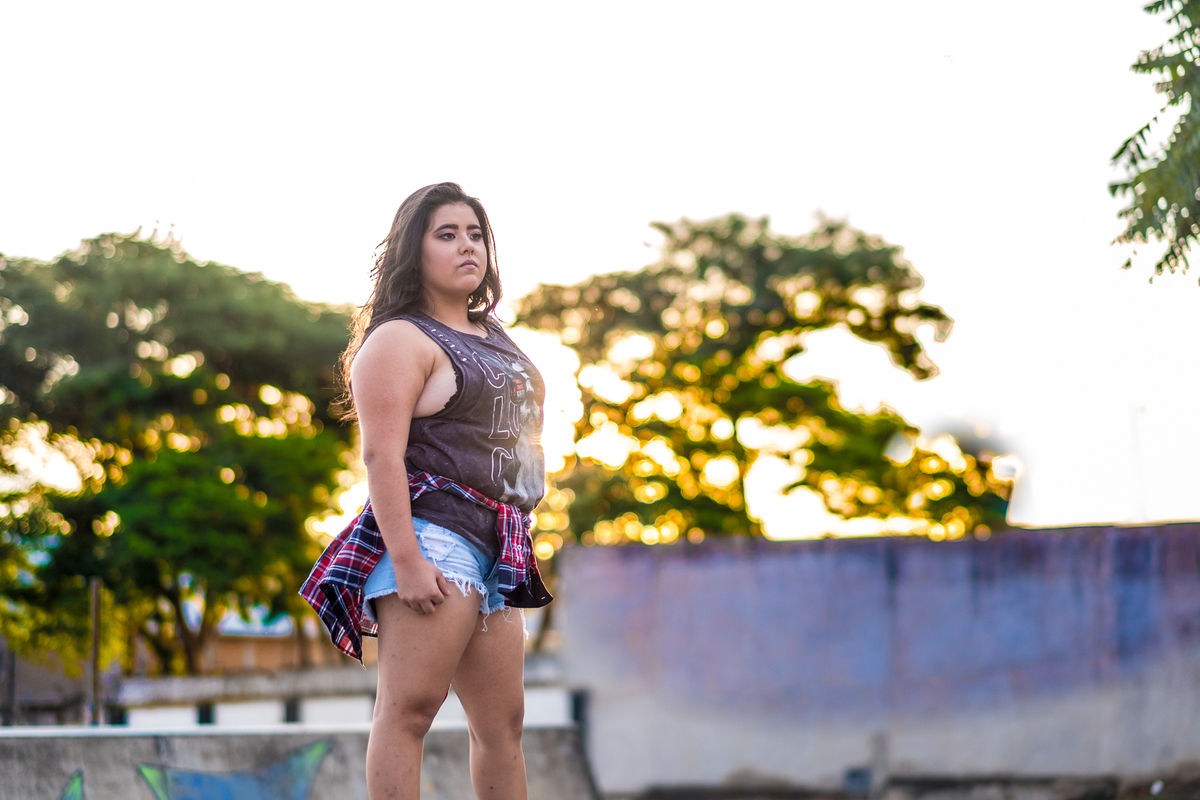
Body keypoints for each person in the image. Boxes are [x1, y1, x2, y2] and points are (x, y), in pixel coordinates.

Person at [300, 182, 552, 800]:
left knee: (503, 727)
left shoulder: (494, 334)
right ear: (415, 250)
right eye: (447, 235)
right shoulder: (400, 340)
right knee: (409, 710)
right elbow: (381, 456)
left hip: (500, 544)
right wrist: (407, 561)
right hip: (435, 537)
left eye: (475, 235)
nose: (467, 246)